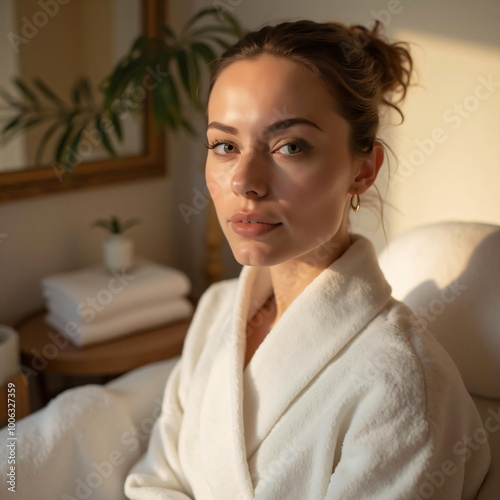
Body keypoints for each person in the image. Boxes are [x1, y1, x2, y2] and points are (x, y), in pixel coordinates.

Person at [124, 19, 490, 499]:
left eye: (289, 146)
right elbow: (155, 478)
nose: (245, 181)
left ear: (363, 170)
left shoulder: (403, 383)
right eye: (225, 146)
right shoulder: (216, 311)